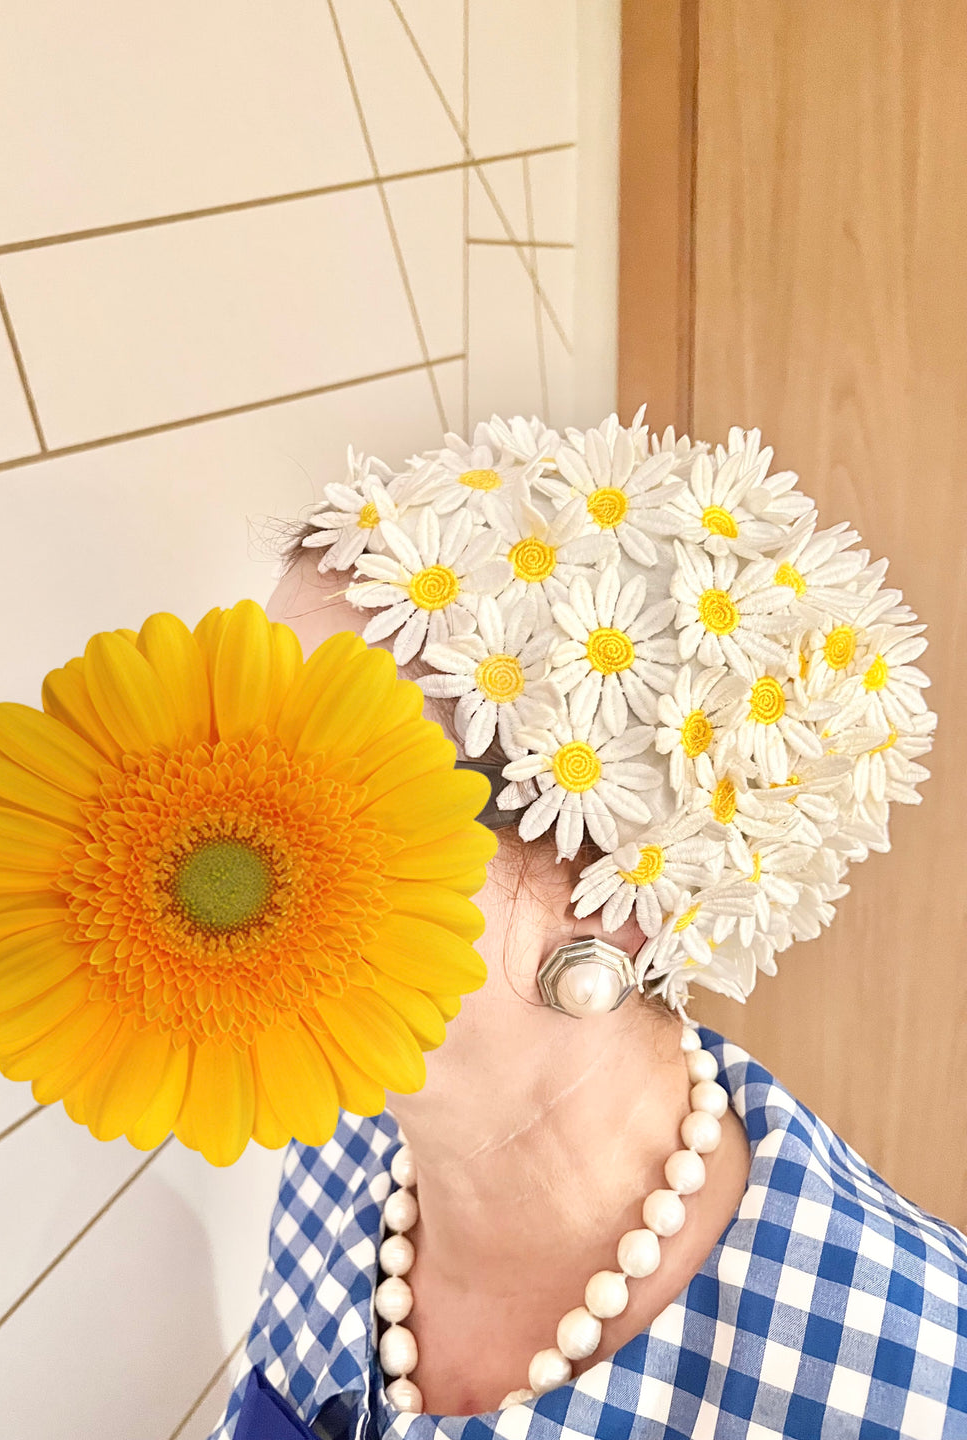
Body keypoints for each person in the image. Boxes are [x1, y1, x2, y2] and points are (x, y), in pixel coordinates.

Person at [207, 412, 967, 1440]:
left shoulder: (908, 1382)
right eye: (228, 747)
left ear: (620, 895)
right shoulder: (337, 1148)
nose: (215, 838)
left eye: (326, 792)